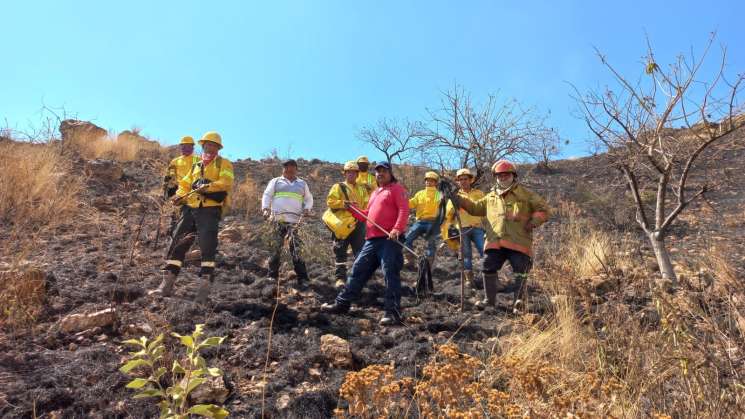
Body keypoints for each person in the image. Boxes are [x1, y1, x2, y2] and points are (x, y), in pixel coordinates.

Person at [455, 160, 550, 312]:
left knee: (521, 268)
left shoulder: (526, 194)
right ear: (495, 177)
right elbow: (474, 208)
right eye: (500, 175)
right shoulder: (490, 196)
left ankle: (519, 302)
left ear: (513, 176)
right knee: (487, 266)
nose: (503, 177)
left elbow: (543, 209)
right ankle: (489, 302)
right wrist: (457, 199)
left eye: (506, 174)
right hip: (495, 241)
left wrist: (533, 222)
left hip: (518, 240)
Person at [321, 161, 409, 326]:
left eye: (383, 171)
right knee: (357, 270)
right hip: (372, 240)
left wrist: (397, 229)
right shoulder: (375, 192)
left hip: (389, 239)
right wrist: (351, 209)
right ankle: (342, 304)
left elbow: (404, 209)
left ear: (390, 173)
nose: (380, 174)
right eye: (377, 172)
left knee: (390, 273)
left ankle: (393, 312)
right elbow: (367, 215)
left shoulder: (397, 189)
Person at [151, 132, 234, 304]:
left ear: (218, 147)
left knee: (207, 248)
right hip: (190, 208)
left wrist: (207, 186)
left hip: (210, 210)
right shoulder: (196, 164)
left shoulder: (224, 163)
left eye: (212, 145)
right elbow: (185, 184)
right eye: (206, 145)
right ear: (203, 146)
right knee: (177, 243)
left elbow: (226, 182)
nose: (209, 148)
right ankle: (166, 285)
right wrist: (178, 196)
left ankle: (203, 291)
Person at [261, 159, 314, 287]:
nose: (289, 169)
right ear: (283, 169)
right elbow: (267, 195)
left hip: (295, 222)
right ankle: (272, 276)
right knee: (275, 249)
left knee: (297, 250)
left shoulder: (302, 183)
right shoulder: (275, 181)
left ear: (296, 169)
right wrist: (265, 208)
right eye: (287, 167)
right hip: (277, 220)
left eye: (292, 167)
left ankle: (303, 278)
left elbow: (308, 198)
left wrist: (307, 208)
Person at [326, 161, 369, 288]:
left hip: (358, 224)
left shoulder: (362, 189)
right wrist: (344, 204)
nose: (351, 174)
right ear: (345, 174)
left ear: (357, 174)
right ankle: (340, 278)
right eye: (348, 172)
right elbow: (330, 201)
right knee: (340, 251)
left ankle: (357, 278)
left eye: (353, 172)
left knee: (360, 252)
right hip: (341, 224)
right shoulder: (338, 186)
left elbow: (367, 205)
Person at [443, 168, 486, 289]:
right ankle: (469, 279)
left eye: (465, 179)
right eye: (460, 179)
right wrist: (454, 206)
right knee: (466, 255)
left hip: (477, 228)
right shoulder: (454, 195)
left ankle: (491, 277)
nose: (463, 181)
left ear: (470, 180)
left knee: (485, 252)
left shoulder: (479, 193)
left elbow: (485, 210)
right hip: (462, 230)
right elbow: (448, 214)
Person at [163, 136, 200, 235]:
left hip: (193, 190)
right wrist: (166, 189)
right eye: (184, 147)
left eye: (188, 147)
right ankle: (173, 228)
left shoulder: (198, 159)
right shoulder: (175, 161)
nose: (186, 149)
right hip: (179, 189)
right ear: (181, 148)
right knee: (176, 210)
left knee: (192, 212)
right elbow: (169, 176)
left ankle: (193, 232)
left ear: (192, 148)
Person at [404, 171, 442, 265]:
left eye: (431, 181)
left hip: (433, 223)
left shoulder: (439, 194)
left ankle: (429, 264)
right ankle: (409, 260)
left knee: (431, 244)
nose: (428, 182)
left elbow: (443, 208)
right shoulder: (420, 193)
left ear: (435, 182)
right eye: (427, 180)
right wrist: (403, 199)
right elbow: (411, 204)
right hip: (419, 222)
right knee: (407, 239)